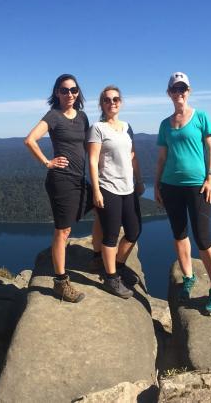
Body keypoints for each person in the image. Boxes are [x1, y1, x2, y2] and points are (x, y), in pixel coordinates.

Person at [24, 74, 102, 303]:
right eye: (64, 90)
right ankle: (60, 282)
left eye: (73, 90)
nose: (69, 94)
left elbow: (89, 147)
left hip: (79, 179)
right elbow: (30, 140)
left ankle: (98, 257)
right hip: (61, 180)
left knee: (101, 207)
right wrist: (48, 162)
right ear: (57, 93)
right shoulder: (54, 116)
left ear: (78, 93)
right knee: (63, 231)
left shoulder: (83, 117)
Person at [154, 72, 211, 315]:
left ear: (189, 91)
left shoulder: (201, 117)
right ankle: (188, 277)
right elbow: (161, 158)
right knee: (179, 234)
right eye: (175, 89)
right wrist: (157, 185)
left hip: (198, 185)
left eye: (183, 89)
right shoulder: (165, 124)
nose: (179, 93)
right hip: (170, 185)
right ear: (169, 93)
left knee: (203, 238)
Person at [87, 85, 144, 299]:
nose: (112, 103)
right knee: (110, 235)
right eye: (107, 100)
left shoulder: (127, 127)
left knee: (134, 231)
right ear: (101, 104)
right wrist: (96, 191)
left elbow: (132, 156)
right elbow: (93, 161)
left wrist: (139, 180)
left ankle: (117, 266)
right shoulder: (97, 128)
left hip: (128, 187)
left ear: (121, 102)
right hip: (108, 186)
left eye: (116, 99)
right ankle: (111, 278)